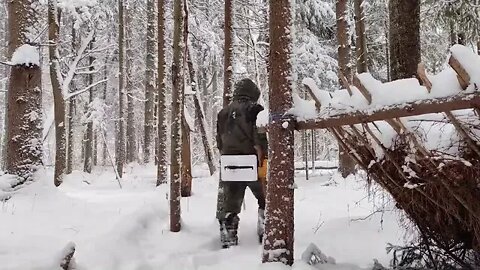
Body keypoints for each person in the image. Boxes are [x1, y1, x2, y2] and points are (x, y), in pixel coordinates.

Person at [216, 78, 268, 248]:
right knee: (266, 198)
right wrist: (265, 157)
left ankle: (228, 233)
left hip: (229, 165)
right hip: (253, 163)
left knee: (230, 203)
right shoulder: (255, 110)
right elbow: (260, 139)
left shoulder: (223, 113)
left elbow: (219, 142)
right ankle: (265, 229)